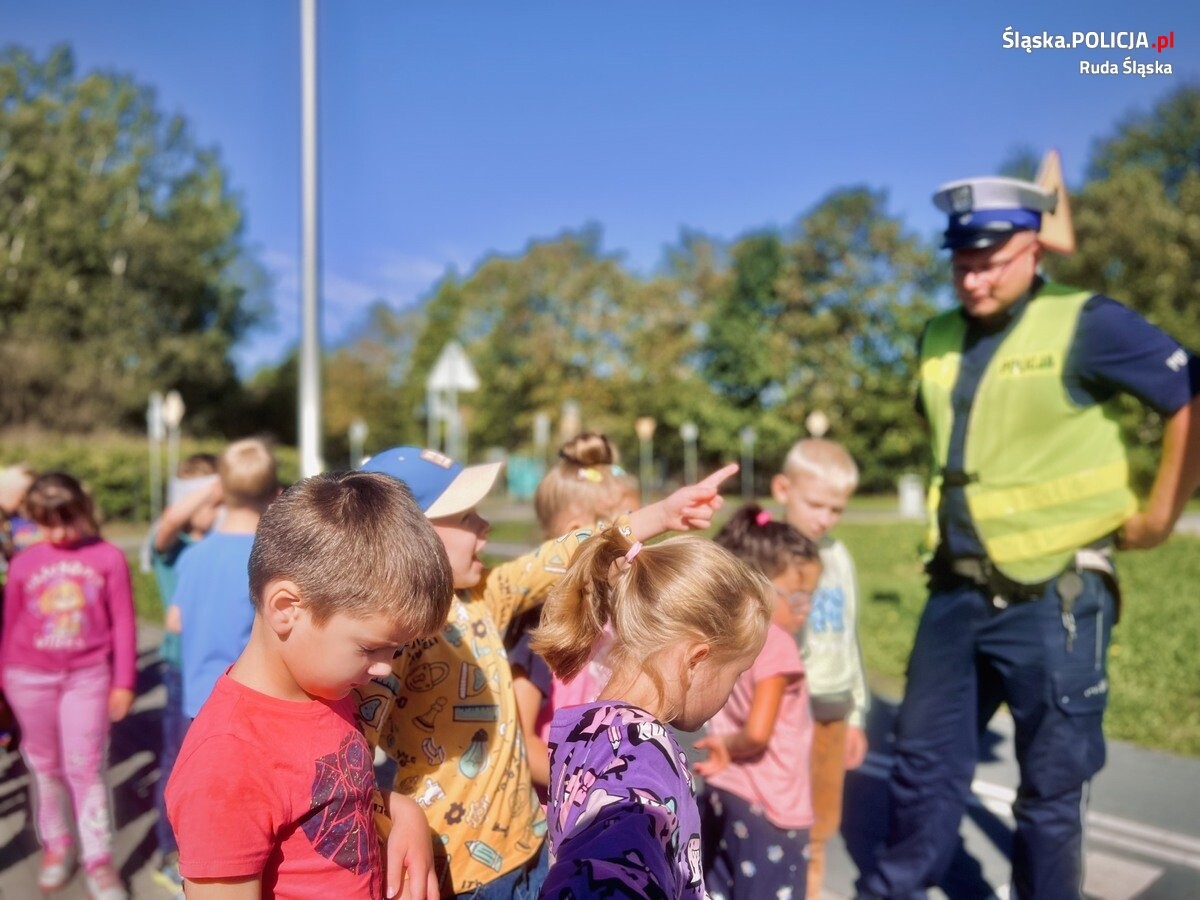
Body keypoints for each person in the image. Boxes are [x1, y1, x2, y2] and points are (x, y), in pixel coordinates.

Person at [856, 175, 1200, 900]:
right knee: (921, 764)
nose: (972, 278)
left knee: (1050, 787)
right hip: (954, 589)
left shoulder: (1087, 322)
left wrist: (1160, 516)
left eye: (990, 262)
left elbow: (1188, 392)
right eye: (961, 262)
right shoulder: (936, 336)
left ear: (1033, 250)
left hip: (1056, 594)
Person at [353, 446, 736, 898]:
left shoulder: (483, 596)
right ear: (407, 537)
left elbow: (562, 555)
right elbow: (353, 756)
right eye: (467, 517)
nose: (485, 525)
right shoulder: (395, 635)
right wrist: (391, 816)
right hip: (457, 866)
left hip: (528, 844)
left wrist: (661, 515)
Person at [166, 470, 454, 898]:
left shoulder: (327, 690)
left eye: (396, 650)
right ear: (286, 608)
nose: (385, 668)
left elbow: (329, 799)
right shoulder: (227, 760)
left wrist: (402, 809)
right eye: (371, 648)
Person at [530, 528, 772, 898]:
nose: (731, 692)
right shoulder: (642, 757)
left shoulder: (588, 729)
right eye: (735, 674)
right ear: (696, 660)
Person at [0, 472, 136, 899]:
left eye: (67, 520)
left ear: (84, 509)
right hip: (27, 678)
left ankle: (98, 858)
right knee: (45, 768)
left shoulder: (108, 557)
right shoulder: (23, 563)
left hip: (87, 678)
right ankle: (57, 844)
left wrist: (124, 681)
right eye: (47, 523)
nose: (59, 533)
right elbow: (10, 625)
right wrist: (4, 681)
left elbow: (124, 622)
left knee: (86, 767)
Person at [696, 503, 822, 899]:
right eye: (797, 596)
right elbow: (756, 734)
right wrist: (728, 744)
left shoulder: (730, 636)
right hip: (770, 808)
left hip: (724, 790)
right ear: (758, 587)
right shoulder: (777, 644)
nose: (805, 608)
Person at [509, 432, 639, 793]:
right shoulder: (541, 622)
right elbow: (520, 739)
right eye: (628, 530)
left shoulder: (612, 608)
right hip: (558, 807)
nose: (639, 545)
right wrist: (584, 790)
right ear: (577, 535)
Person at [770, 437, 869, 897]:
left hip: (832, 709)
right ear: (783, 489)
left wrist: (857, 715)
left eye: (836, 509)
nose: (824, 518)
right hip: (780, 711)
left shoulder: (838, 556)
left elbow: (849, 638)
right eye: (815, 504)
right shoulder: (766, 556)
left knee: (820, 822)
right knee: (772, 816)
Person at [147, 452, 221, 897]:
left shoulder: (230, 539)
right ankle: (168, 851)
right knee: (179, 764)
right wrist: (217, 487)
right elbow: (170, 521)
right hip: (182, 669)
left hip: (224, 669)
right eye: (209, 500)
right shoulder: (173, 545)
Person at [169, 438, 277, 720]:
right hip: (252, 700)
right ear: (276, 494)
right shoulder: (273, 559)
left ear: (219, 491)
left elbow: (175, 621)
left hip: (200, 700)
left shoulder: (193, 555)